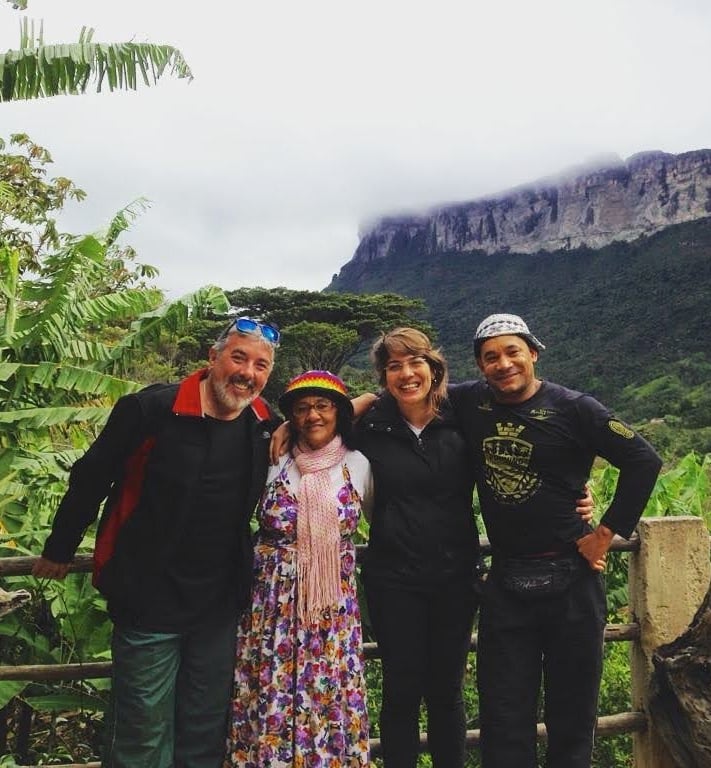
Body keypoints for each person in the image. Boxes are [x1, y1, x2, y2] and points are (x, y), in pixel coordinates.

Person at [32, 317, 282, 768]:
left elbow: (327, 421)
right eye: (238, 358)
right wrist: (59, 549)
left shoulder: (264, 424)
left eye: (260, 365)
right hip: (147, 595)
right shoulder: (151, 411)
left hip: (219, 604)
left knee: (204, 730)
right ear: (213, 357)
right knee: (141, 733)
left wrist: (362, 401)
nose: (247, 373)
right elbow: (91, 479)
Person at [447, 313, 663, 768]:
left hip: (573, 579)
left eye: (513, 352)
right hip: (506, 582)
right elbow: (410, 391)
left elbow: (643, 459)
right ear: (480, 366)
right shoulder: (469, 401)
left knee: (573, 714)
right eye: (491, 357)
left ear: (533, 353)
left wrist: (605, 533)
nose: (504, 364)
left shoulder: (575, 408)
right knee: (503, 716)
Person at [226, 370, 372, 767]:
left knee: (328, 690)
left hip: (330, 610)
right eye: (302, 408)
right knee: (268, 687)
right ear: (290, 417)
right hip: (271, 606)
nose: (313, 416)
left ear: (340, 412)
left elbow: (380, 518)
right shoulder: (273, 460)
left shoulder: (359, 464)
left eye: (323, 406)